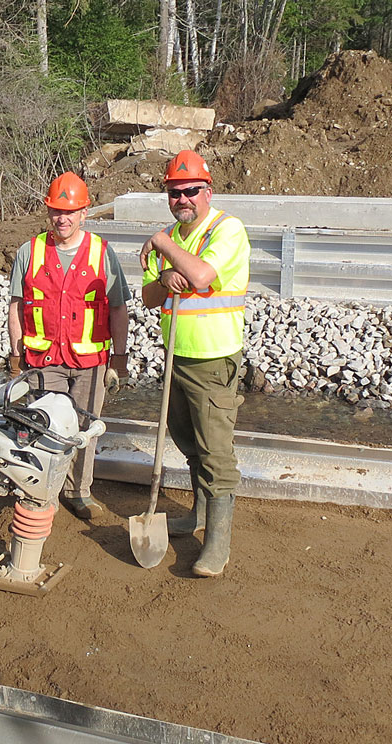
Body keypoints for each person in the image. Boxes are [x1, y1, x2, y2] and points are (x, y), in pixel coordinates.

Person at [138, 150, 250, 577]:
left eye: (189, 191)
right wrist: (164, 278)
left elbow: (203, 277)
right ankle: (199, 514)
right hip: (176, 358)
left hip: (213, 359)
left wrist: (164, 247)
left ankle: (216, 545)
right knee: (187, 439)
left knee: (215, 451)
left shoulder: (227, 230)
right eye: (174, 192)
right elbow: (148, 296)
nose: (181, 199)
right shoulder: (172, 234)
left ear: (207, 191)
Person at [8, 172, 130, 520]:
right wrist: (15, 355)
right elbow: (17, 305)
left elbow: (119, 307)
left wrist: (119, 358)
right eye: (56, 211)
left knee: (83, 430)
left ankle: (78, 492)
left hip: (90, 361)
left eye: (70, 211)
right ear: (48, 212)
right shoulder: (29, 252)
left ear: (84, 213)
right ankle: (42, 492)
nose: (62, 218)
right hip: (44, 361)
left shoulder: (102, 253)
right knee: (43, 427)